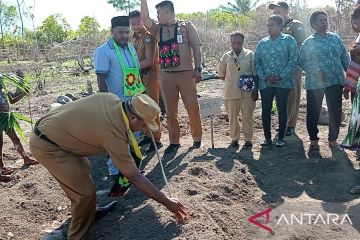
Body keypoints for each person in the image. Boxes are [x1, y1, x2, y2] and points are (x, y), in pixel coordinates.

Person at [29, 93, 189, 239]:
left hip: (56, 133)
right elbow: (133, 175)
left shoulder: (112, 100)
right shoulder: (114, 131)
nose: (145, 129)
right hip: (48, 144)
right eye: (144, 124)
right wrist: (166, 201)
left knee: (84, 171)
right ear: (133, 117)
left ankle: (90, 212)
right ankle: (77, 236)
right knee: (84, 193)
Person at [140, 0, 203, 153]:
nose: (157, 16)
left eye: (159, 12)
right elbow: (145, 20)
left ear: (167, 11)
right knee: (170, 111)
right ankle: (174, 141)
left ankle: (197, 138)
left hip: (186, 74)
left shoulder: (186, 26)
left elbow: (196, 47)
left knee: (192, 107)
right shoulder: (157, 29)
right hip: (166, 75)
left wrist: (198, 68)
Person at [94, 15, 145, 176]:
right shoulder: (103, 51)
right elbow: (101, 78)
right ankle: (115, 170)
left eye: (126, 32)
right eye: (120, 32)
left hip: (134, 101)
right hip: (116, 103)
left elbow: (137, 73)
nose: (124, 35)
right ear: (112, 32)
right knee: (118, 138)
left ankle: (132, 168)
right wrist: (105, 103)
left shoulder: (130, 48)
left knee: (135, 135)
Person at [299, 11, 349, 151]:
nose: (324, 22)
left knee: (335, 110)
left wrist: (351, 77)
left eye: (325, 20)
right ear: (313, 24)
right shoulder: (309, 42)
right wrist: (316, 70)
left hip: (335, 81)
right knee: (313, 111)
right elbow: (301, 60)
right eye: (321, 20)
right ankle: (314, 140)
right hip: (316, 83)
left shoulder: (335, 38)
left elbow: (345, 58)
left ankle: (333, 139)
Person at [254, 15, 298, 147]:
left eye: (271, 25)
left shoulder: (289, 40)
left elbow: (293, 60)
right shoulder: (262, 43)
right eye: (267, 25)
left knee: (282, 108)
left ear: (280, 26)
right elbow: (257, 62)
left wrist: (281, 76)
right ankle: (267, 138)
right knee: (266, 109)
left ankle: (281, 138)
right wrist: (265, 77)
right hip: (266, 83)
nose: (269, 28)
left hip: (283, 83)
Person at [269, 1, 306, 136]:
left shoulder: (296, 25)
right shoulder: (275, 26)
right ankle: (283, 122)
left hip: (293, 66)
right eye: (274, 12)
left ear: (286, 11)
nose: (275, 14)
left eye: (278, 11)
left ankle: (291, 125)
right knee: (280, 96)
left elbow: (300, 45)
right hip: (277, 68)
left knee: (292, 95)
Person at [129, 10, 162, 153]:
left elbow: (149, 60)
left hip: (150, 75)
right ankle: (148, 135)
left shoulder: (149, 37)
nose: (136, 26)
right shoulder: (133, 37)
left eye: (138, 22)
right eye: (133, 23)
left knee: (152, 106)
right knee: (141, 106)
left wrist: (130, 68)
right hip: (138, 77)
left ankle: (157, 139)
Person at [218, 32, 258, 149]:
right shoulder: (226, 56)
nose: (236, 45)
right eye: (234, 42)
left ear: (243, 42)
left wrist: (256, 91)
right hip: (230, 93)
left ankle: (248, 140)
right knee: (232, 118)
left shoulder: (250, 54)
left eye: (239, 43)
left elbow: (255, 74)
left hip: (247, 94)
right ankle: (234, 139)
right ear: (230, 42)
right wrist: (232, 80)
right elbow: (221, 74)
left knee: (247, 117)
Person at [0, 70, 38, 182]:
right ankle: (0, 169)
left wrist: (23, 93)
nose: (2, 82)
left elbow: (12, 101)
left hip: (6, 119)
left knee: (15, 139)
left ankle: (26, 158)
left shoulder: (3, 91)